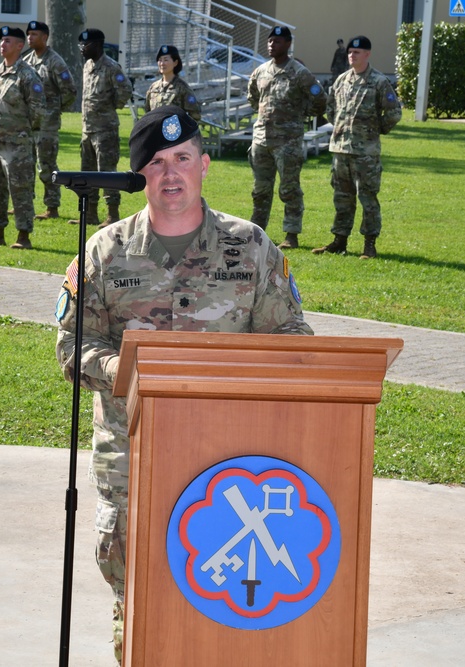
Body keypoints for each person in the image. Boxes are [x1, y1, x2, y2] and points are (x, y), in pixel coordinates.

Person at [54, 106, 313, 665]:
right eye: (155, 163)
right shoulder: (104, 251)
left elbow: (292, 337)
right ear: (139, 176)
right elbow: (72, 346)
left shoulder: (251, 248)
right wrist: (133, 371)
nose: (170, 174)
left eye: (182, 159)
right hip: (132, 458)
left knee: (223, 610)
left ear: (205, 165)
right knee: (138, 605)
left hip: (231, 465)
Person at [313, 35, 401, 259]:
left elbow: (394, 112)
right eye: (350, 52)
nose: (352, 55)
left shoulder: (379, 82)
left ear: (367, 54)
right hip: (341, 150)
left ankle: (369, 244)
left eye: (357, 52)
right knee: (342, 197)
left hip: (366, 153)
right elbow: (331, 109)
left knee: (368, 197)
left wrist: (374, 130)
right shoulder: (341, 80)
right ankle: (339, 240)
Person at [247, 26, 326, 250]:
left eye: (278, 41)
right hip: (262, 139)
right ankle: (257, 231)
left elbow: (319, 99)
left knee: (289, 189)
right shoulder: (260, 71)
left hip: (288, 142)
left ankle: (291, 234)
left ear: (288, 44)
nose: (272, 45)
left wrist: (300, 115)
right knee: (260, 189)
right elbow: (252, 97)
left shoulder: (299, 73)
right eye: (270, 41)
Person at [0, 26, 44, 250]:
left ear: (19, 46)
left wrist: (19, 129)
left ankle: (24, 236)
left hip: (17, 145)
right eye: (1, 41)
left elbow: (38, 110)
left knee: (20, 190)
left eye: (7, 41)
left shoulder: (27, 75)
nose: (2, 45)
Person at [72, 28, 133, 227]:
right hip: (87, 130)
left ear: (98, 44)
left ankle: (112, 215)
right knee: (87, 173)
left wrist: (110, 106)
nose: (82, 48)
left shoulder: (111, 67)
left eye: (86, 45)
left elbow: (125, 91)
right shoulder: (87, 66)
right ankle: (90, 214)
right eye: (81, 44)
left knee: (107, 173)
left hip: (105, 131)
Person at [23, 20, 78, 221]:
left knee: (47, 165)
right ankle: (25, 204)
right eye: (28, 34)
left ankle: (52, 206)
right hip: (29, 123)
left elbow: (70, 90)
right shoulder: (27, 61)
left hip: (47, 125)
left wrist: (54, 110)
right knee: (27, 163)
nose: (30, 38)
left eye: (35, 34)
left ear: (45, 37)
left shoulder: (55, 61)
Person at [143, 44, 200, 121]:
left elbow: (195, 115)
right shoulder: (153, 87)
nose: (162, 63)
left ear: (175, 63)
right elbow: (147, 112)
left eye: (166, 60)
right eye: (160, 60)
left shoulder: (183, 88)